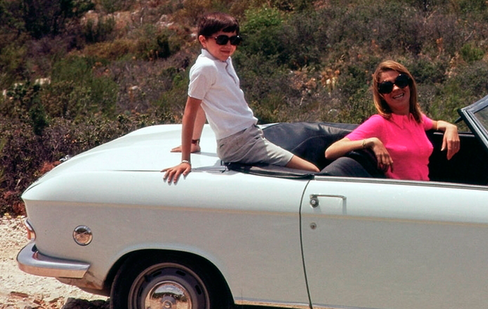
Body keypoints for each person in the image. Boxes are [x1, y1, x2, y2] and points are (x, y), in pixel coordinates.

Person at [163, 12, 318, 184]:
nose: (228, 46)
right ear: (203, 40)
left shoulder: (223, 60)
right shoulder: (205, 68)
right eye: (222, 40)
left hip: (248, 135)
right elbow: (190, 111)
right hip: (238, 144)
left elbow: (202, 103)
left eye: (234, 40)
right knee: (312, 171)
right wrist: (185, 160)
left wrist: (194, 142)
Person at [323, 60, 459, 180]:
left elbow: (436, 124)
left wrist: (451, 127)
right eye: (386, 87)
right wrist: (371, 142)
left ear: (409, 84)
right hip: (399, 194)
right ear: (381, 95)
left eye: (401, 81)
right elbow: (331, 151)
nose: (396, 88)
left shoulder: (416, 118)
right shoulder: (379, 122)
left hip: (424, 190)